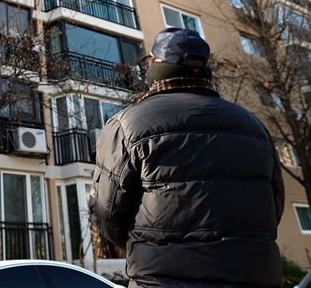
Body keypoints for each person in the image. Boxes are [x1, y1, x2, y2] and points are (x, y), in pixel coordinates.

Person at [88, 28, 284, 287]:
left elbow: (107, 215)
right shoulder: (254, 127)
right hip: (254, 277)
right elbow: (274, 205)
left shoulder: (126, 124)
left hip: (163, 279)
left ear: (156, 65)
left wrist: (150, 244)